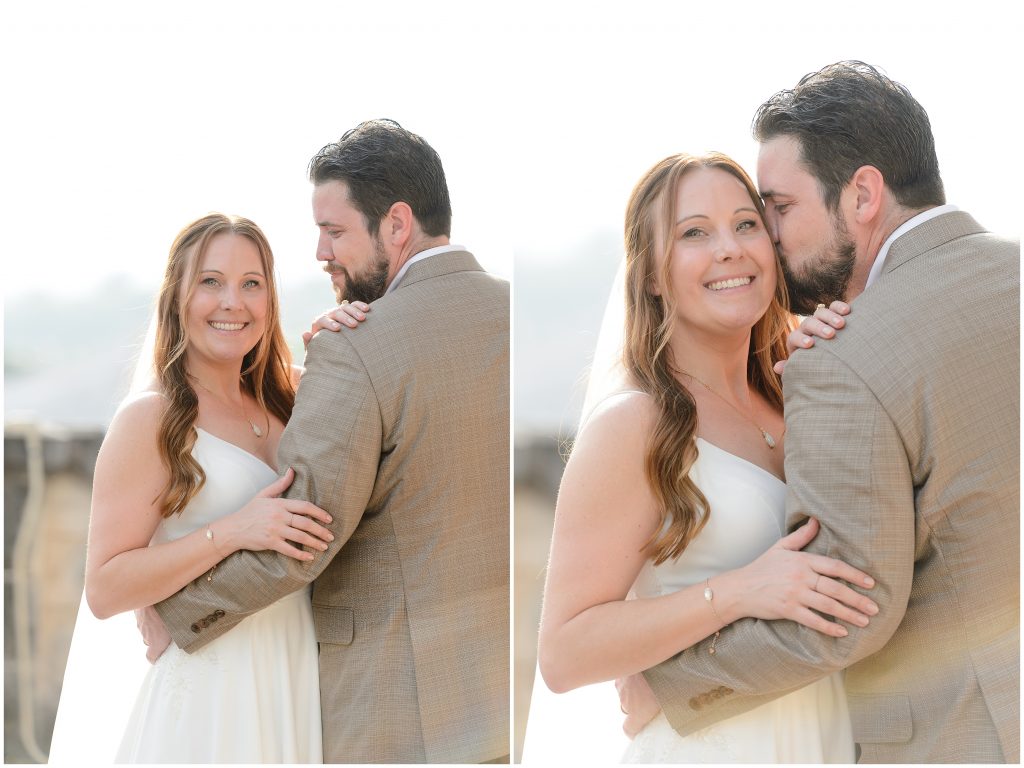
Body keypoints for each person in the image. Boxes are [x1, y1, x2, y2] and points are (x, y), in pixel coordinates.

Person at [619, 61, 1020, 764]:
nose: (764, 239)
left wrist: (671, 684)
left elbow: (845, 612)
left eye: (776, 207)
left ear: (863, 193)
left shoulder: (842, 360)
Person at [149, 120, 510, 764]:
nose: (320, 252)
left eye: (335, 231)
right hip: (502, 703)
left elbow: (301, 534)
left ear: (396, 225)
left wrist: (176, 613)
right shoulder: (514, 315)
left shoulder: (360, 346)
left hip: (391, 712)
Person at [522, 151, 878, 764]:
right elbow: (563, 654)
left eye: (746, 224)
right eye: (694, 233)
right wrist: (738, 592)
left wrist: (836, 368)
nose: (730, 249)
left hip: (826, 736)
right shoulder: (636, 425)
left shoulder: (801, 396)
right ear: (653, 275)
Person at [48, 212, 370, 763]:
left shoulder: (294, 396)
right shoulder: (152, 418)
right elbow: (104, 589)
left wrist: (344, 342)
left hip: (296, 677)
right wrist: (233, 531)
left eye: (252, 284)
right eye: (211, 282)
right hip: (211, 689)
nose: (233, 303)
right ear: (177, 296)